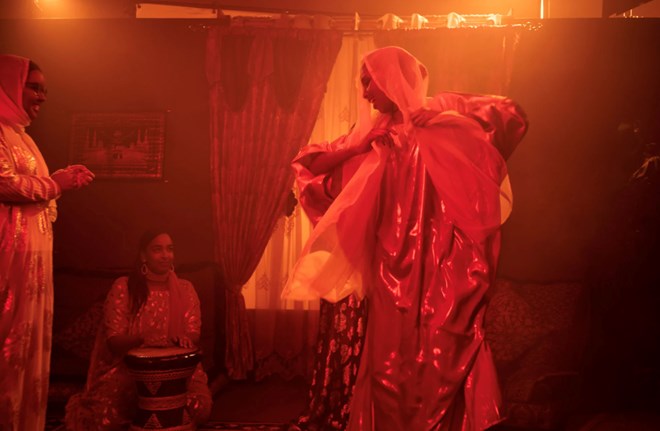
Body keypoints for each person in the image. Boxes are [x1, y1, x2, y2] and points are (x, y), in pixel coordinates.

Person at [283, 46, 527, 430]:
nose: (364, 94)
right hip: (390, 266)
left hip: (443, 263)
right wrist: (357, 147)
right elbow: (309, 165)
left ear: (389, 78)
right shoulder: (371, 134)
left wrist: (448, 114)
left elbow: (511, 118)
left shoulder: (440, 117)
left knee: (444, 350)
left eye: (368, 82)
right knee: (389, 359)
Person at [1, 54, 95, 430]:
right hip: (10, 258)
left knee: (29, 347)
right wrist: (56, 185)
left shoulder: (21, 137)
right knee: (9, 346)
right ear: (8, 85)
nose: (41, 97)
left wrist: (58, 179)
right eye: (34, 87)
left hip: (32, 261)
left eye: (44, 90)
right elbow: (4, 183)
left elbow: (37, 196)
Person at [64, 229, 212, 430]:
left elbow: (193, 331)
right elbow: (114, 341)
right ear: (143, 255)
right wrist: (143, 338)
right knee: (104, 417)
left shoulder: (185, 288)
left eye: (169, 249)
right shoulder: (124, 287)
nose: (165, 255)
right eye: (157, 250)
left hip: (176, 370)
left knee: (198, 408)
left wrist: (186, 339)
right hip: (128, 369)